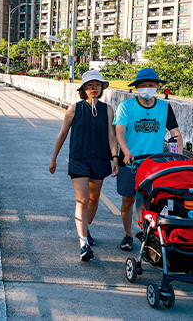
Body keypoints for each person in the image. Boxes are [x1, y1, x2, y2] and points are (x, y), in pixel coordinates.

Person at [49, 70, 118, 262]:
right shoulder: (74, 109)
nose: (94, 88)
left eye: (97, 85)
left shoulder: (108, 110)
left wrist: (115, 158)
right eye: (90, 85)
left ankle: (85, 229)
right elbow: (62, 134)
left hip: (100, 159)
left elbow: (112, 137)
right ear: (83, 89)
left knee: (94, 200)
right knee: (83, 200)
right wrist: (54, 158)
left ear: (102, 88)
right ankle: (83, 243)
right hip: (79, 159)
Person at [113, 68, 183, 251]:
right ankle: (128, 235)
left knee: (153, 202)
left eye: (151, 85)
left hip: (155, 165)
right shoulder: (126, 107)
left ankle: (149, 235)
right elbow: (119, 131)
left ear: (157, 86)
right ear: (136, 87)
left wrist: (178, 158)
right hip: (130, 162)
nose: (147, 89)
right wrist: (126, 152)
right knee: (128, 200)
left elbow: (175, 133)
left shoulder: (164, 107)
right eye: (143, 85)